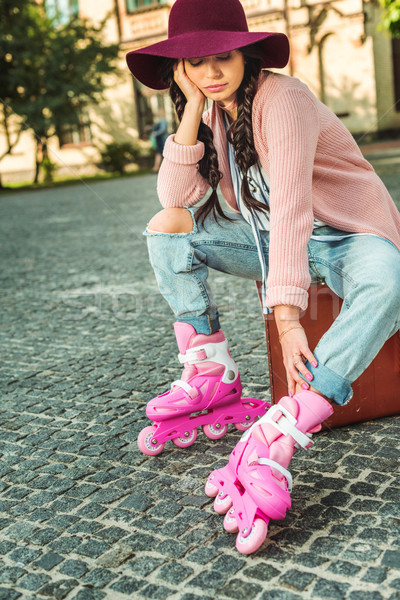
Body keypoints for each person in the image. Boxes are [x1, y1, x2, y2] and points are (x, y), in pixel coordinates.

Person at [126, 0, 400, 554]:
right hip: (274, 243)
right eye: (194, 64)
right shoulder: (215, 110)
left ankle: (290, 424)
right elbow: (176, 200)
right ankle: (210, 371)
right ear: (179, 72)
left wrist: (288, 317)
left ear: (246, 52)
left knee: (390, 282)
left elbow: (295, 206)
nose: (212, 72)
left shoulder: (282, 98)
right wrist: (191, 112)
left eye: (222, 57)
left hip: (346, 235)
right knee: (168, 228)